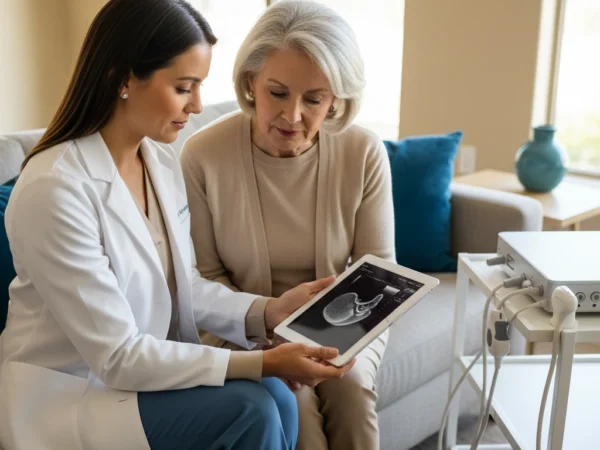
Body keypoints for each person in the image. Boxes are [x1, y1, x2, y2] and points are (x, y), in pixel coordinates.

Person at [0, 1, 354, 449]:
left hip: (137, 374)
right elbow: (116, 355)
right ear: (123, 78)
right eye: (184, 87)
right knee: (253, 407)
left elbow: (179, 283)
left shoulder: (158, 162)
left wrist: (268, 311)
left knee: (277, 399)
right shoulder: (54, 189)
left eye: (200, 86)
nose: (199, 105)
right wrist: (262, 362)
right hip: (73, 392)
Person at [180, 1, 395, 449]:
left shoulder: (364, 152)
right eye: (277, 93)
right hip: (242, 327)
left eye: (314, 99)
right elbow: (202, 278)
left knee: (351, 393)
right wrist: (268, 332)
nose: (293, 116)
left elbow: (380, 271)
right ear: (250, 83)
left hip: (347, 321)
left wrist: (325, 336)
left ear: (336, 98)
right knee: (294, 409)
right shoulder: (202, 157)